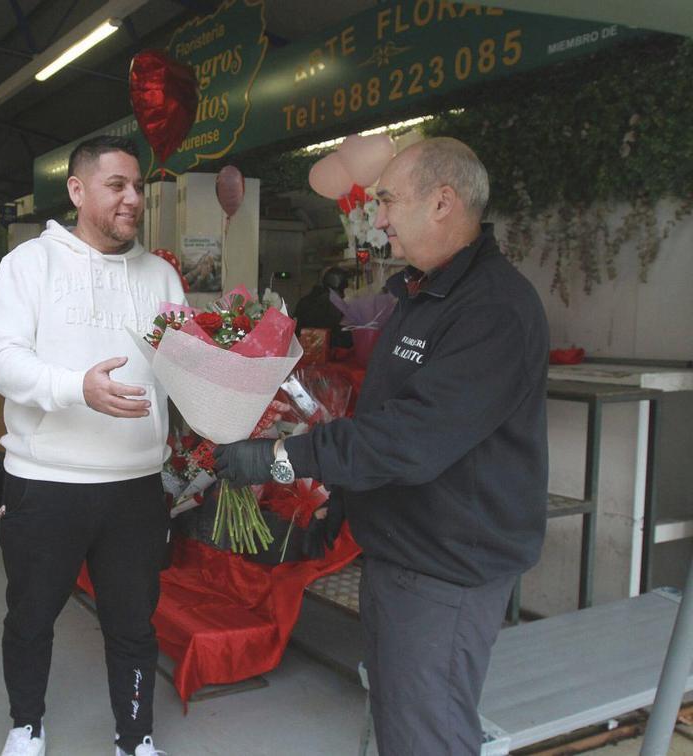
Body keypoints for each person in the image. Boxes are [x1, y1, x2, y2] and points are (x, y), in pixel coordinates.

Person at [214, 137, 548, 755]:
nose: (380, 217)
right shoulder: (422, 294)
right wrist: (343, 503)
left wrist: (281, 460)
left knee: (426, 735)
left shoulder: (492, 308)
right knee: (401, 723)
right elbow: (387, 414)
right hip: (403, 552)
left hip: (446, 569)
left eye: (389, 200)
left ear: (442, 202)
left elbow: (413, 439)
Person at [0, 135, 185, 756]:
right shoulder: (29, 265)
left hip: (135, 486)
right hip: (47, 482)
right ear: (76, 190)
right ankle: (26, 724)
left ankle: (135, 737)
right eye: (116, 185)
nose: (133, 198)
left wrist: (233, 389)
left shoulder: (161, 275)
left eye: (138, 186)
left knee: (133, 623)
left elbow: (184, 367)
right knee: (31, 617)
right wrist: (78, 388)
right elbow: (2, 361)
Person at [292, 265, 352, 348]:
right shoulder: (335, 305)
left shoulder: (303, 302)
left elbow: (295, 331)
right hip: (331, 352)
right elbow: (345, 339)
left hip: (304, 351)